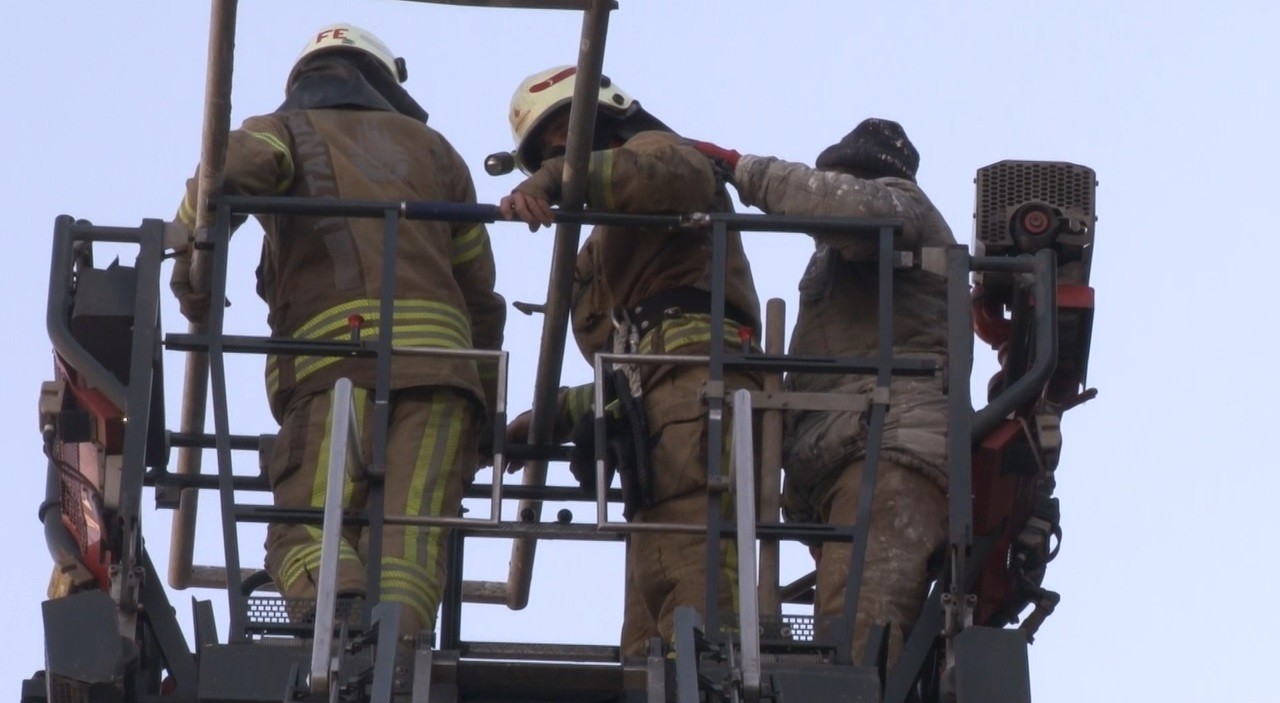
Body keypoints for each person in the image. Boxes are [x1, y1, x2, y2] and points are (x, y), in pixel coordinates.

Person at [169, 23, 506, 640]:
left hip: (333, 372)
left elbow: (230, 170)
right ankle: (397, 651)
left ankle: (341, 628)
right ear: (382, 83)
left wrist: (189, 256)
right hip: (444, 382)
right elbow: (481, 297)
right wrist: (484, 416)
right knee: (411, 532)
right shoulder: (436, 152)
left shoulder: (287, 128)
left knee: (304, 525)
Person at [498, 65, 762, 658]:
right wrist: (554, 414)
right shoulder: (605, 244)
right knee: (649, 612)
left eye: (566, 141)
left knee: (690, 567)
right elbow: (625, 363)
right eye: (547, 151)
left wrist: (548, 181)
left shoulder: (658, 150)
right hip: (657, 402)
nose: (559, 156)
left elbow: (673, 178)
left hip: (699, 390)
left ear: (607, 119)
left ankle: (709, 676)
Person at [687, 119, 953, 667]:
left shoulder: (901, 208)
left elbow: (853, 210)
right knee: (837, 650)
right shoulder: (846, 262)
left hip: (892, 450)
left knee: (854, 655)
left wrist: (743, 169)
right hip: (853, 456)